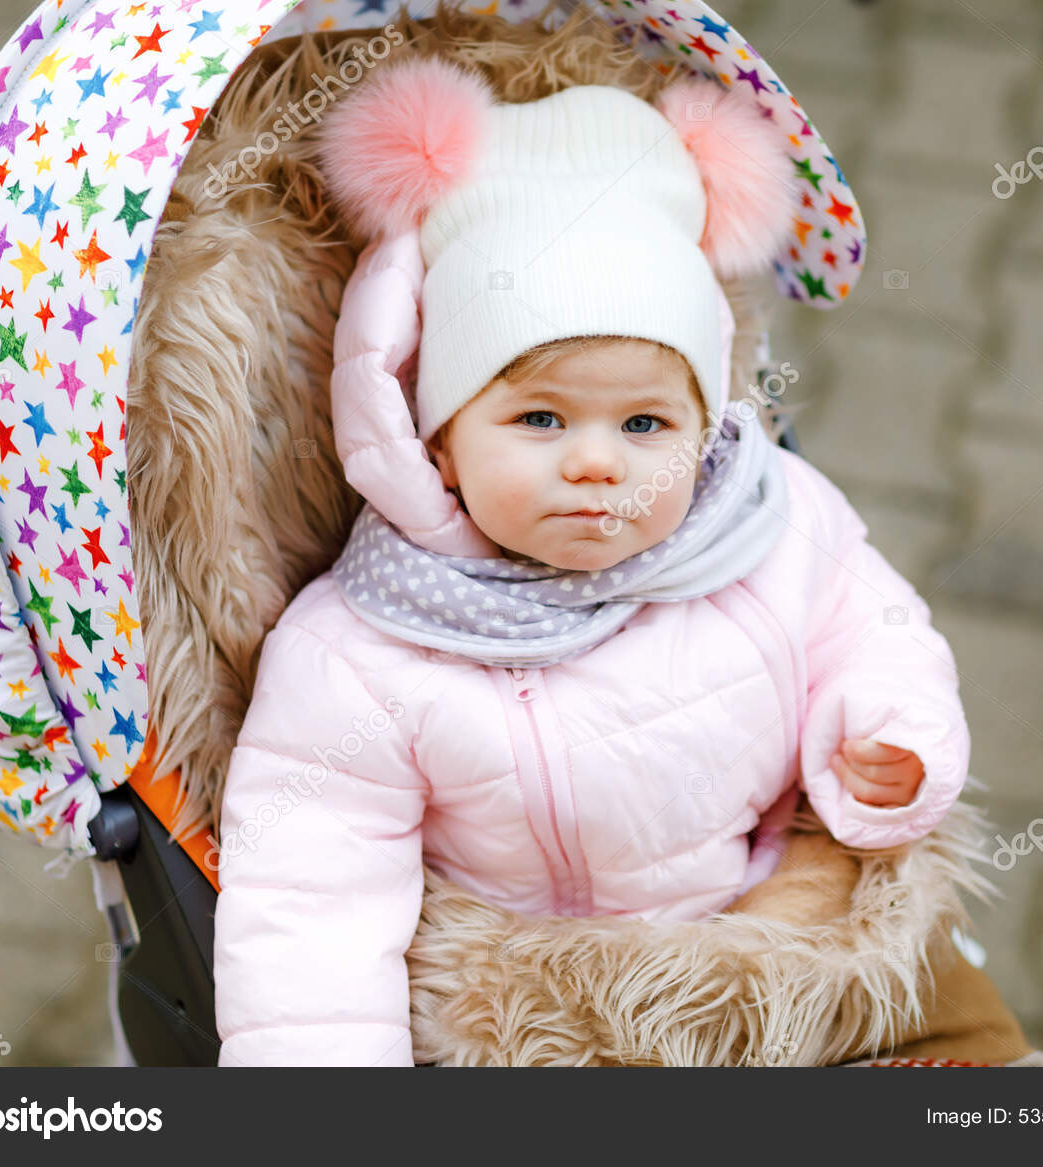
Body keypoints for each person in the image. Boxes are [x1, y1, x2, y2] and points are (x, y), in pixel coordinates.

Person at [213, 54, 973, 1067]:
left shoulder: (770, 528)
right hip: (540, 1021)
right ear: (434, 436)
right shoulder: (360, 655)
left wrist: (890, 739)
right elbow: (312, 910)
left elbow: (876, 634)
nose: (594, 460)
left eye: (646, 422)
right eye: (537, 416)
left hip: (781, 950)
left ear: (703, 433)